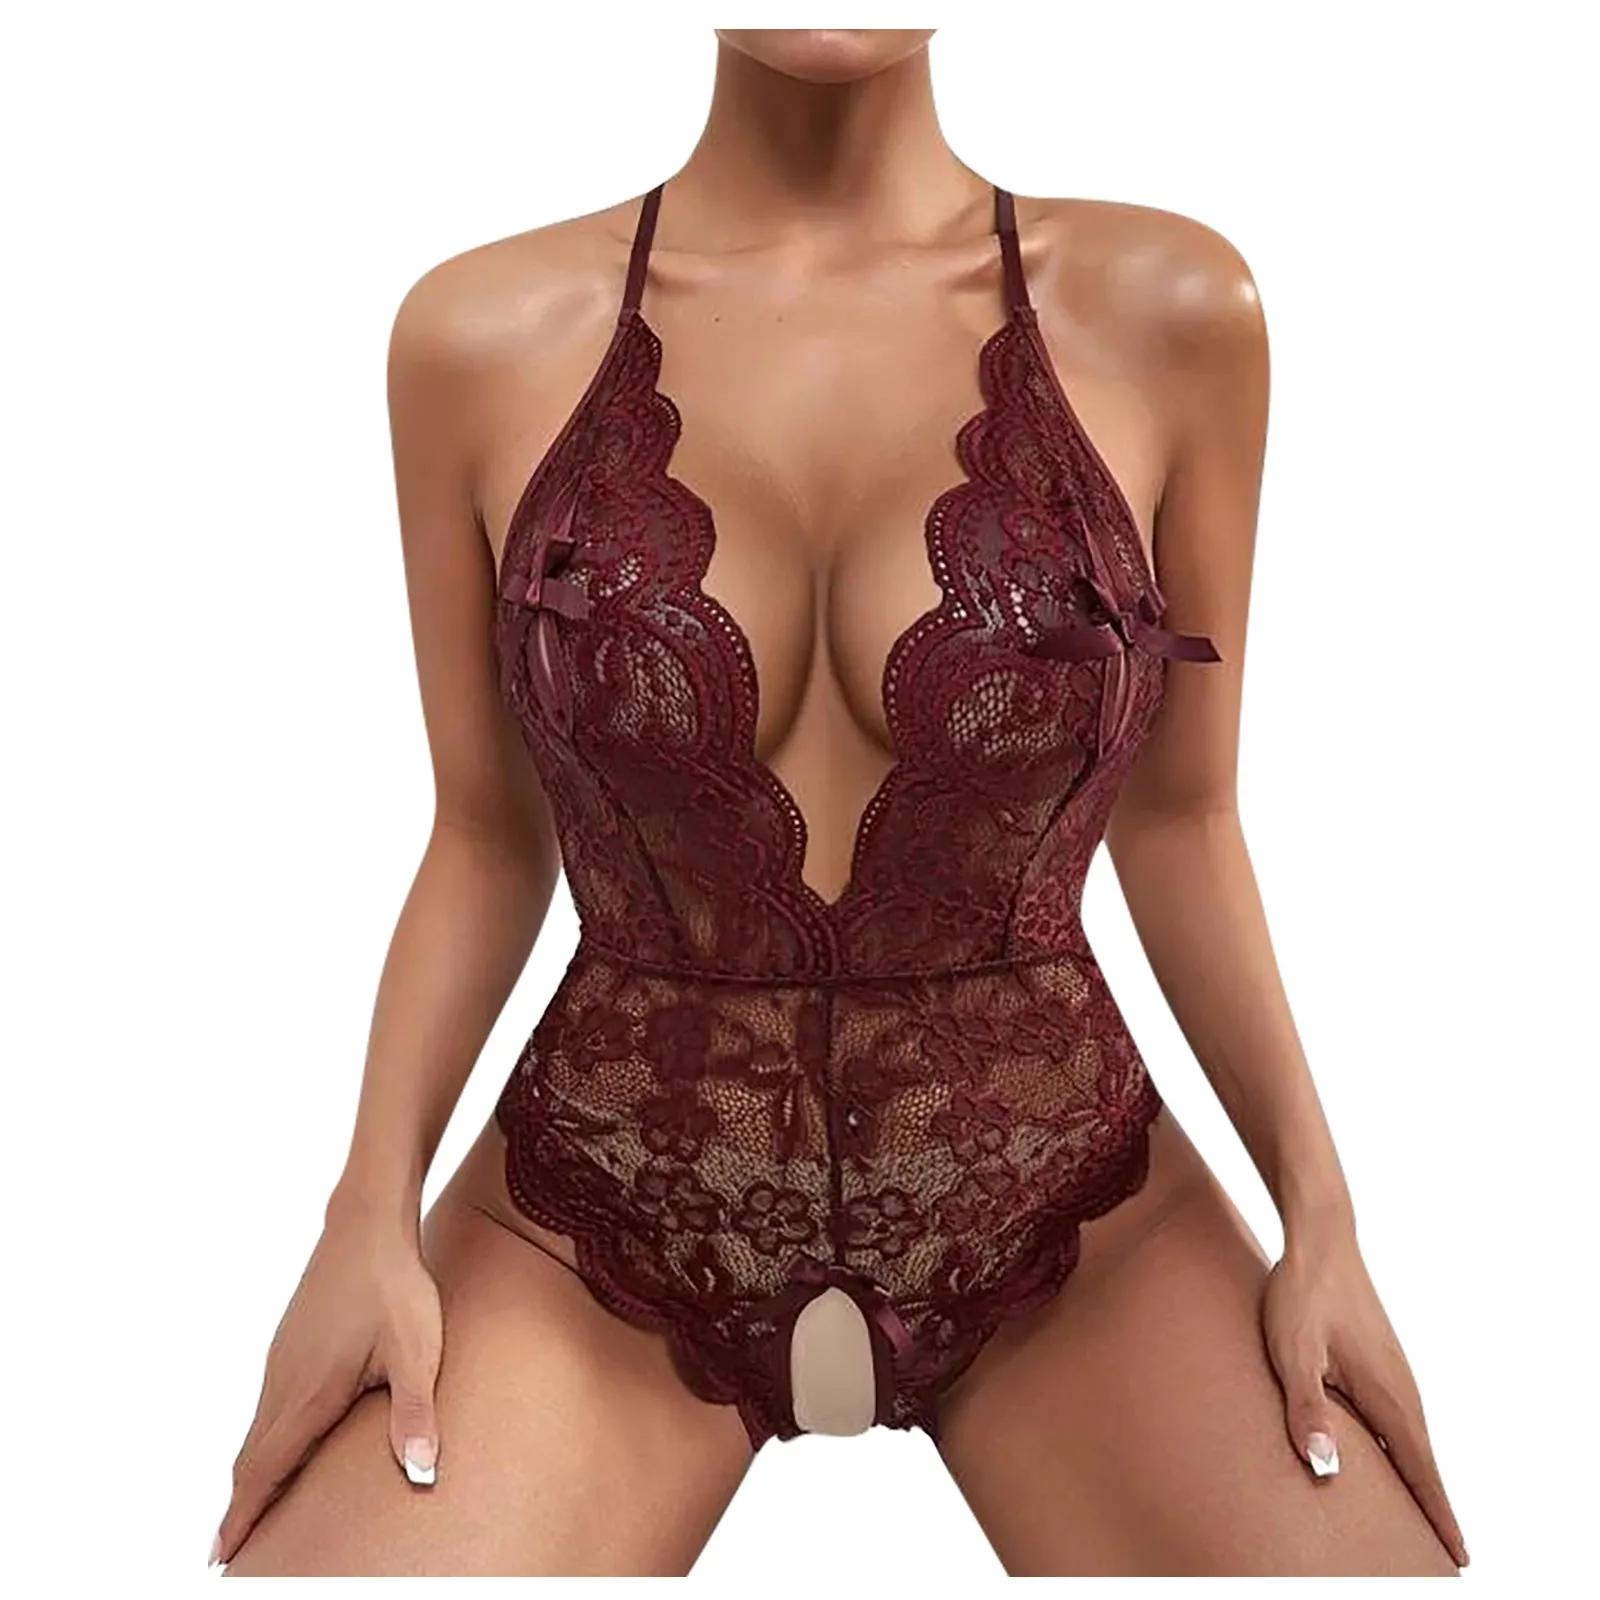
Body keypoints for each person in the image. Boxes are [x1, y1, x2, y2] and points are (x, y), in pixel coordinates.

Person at [214, 28, 1466, 1577]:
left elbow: (1186, 820)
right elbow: (482, 837)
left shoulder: (1173, 308)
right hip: (597, 1208)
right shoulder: (475, 335)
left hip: (1069, 1202)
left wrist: (1324, 1218)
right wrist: (364, 1215)